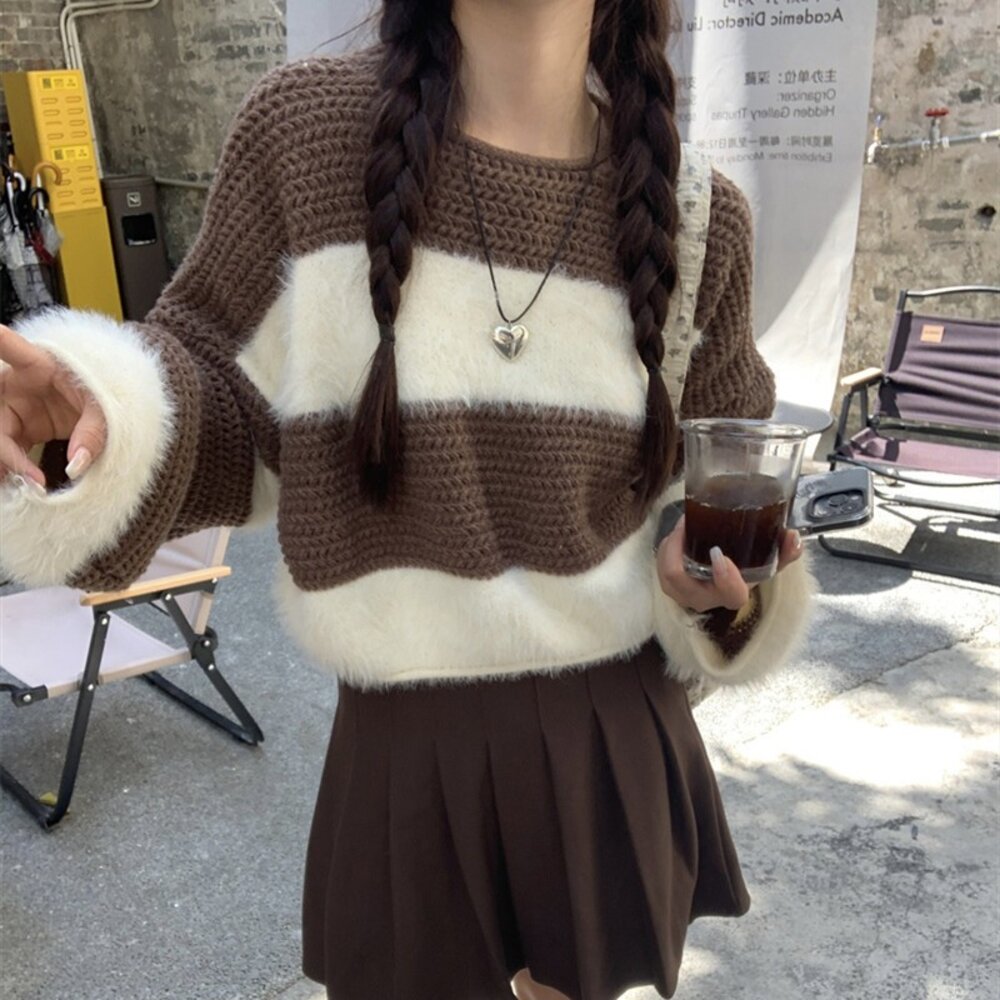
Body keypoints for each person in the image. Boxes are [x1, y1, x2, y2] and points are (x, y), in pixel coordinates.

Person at [0, 1, 815, 997]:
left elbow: (720, 480)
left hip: (610, 736)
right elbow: (224, 401)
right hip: (406, 751)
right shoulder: (308, 138)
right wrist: (96, 419)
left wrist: (718, 587)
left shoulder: (696, 211)